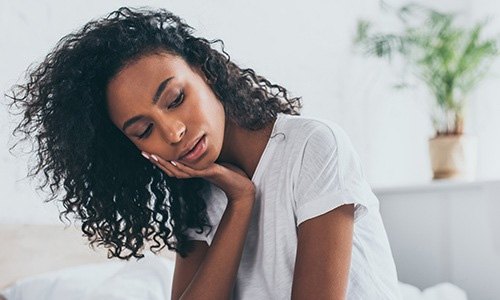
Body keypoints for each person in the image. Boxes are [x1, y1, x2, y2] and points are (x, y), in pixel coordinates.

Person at [8, 7, 402, 300]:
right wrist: (240, 201)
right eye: (144, 130)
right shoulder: (196, 193)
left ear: (205, 72)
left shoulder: (312, 148)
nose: (174, 131)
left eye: (176, 98)